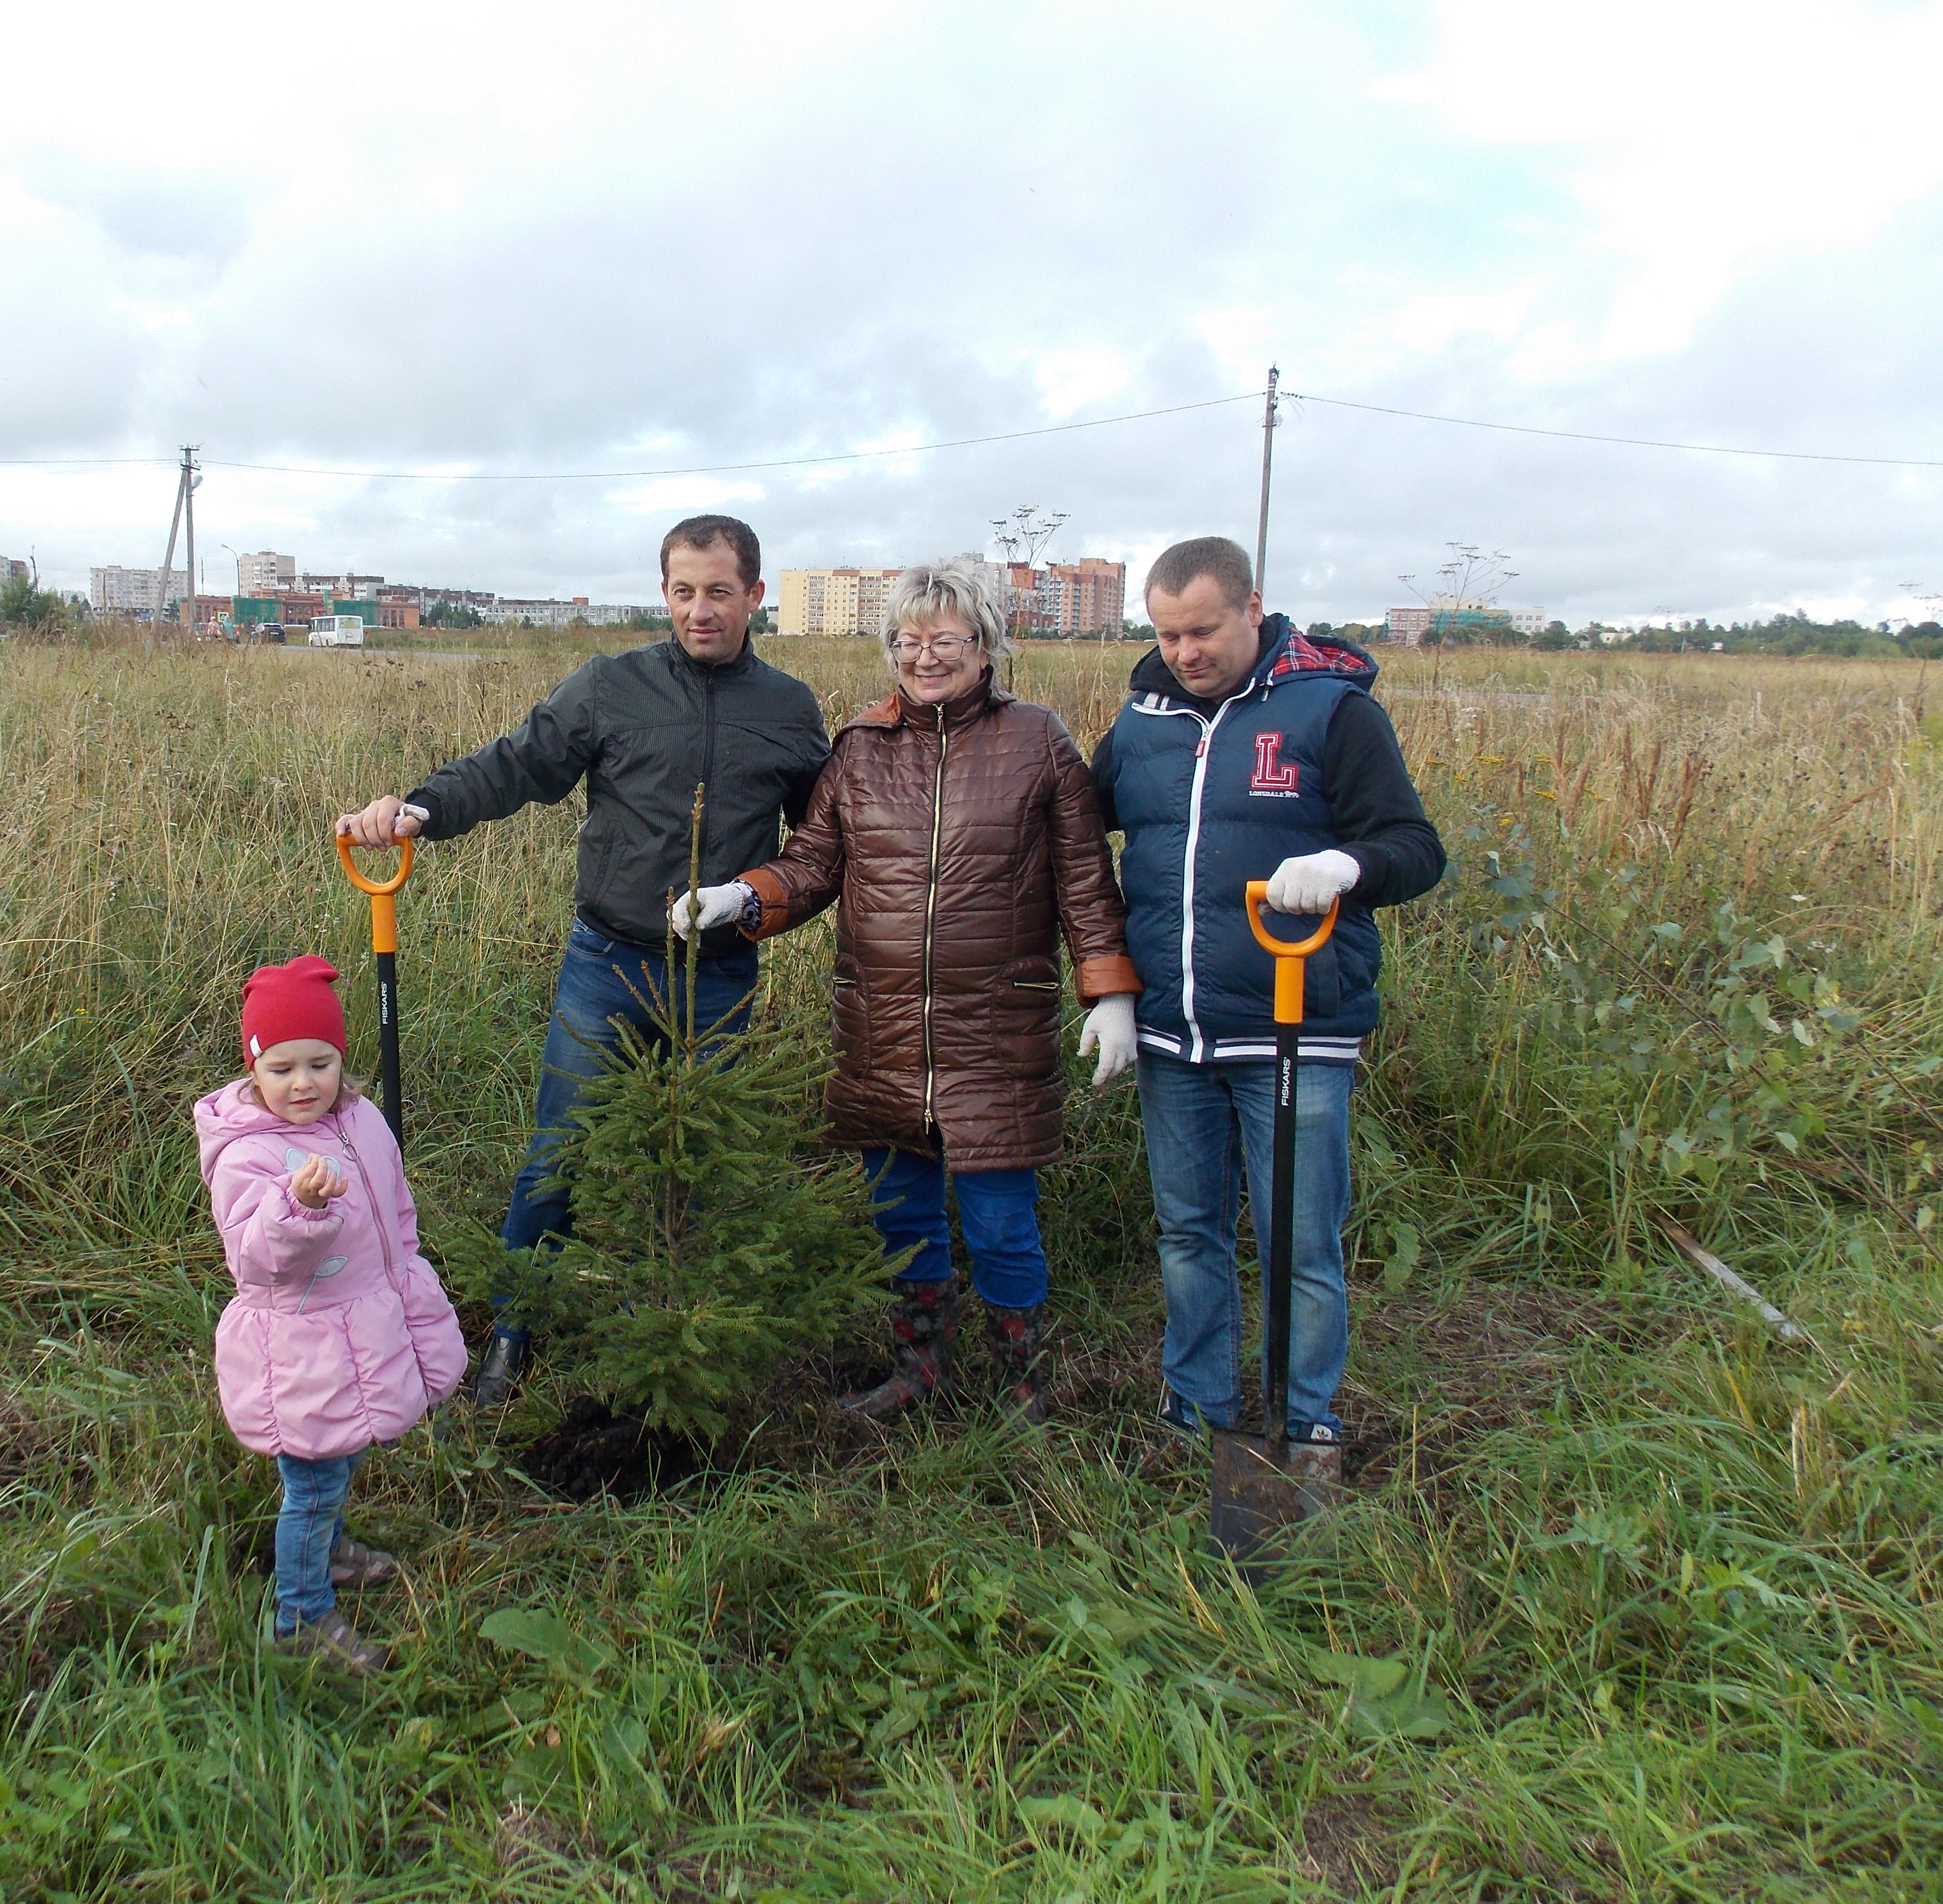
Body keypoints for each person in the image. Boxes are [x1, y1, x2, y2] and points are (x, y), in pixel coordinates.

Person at [335, 516, 830, 1407]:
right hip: (606, 963)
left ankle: (686, 1339)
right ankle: (515, 1331)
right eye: (683, 591)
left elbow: (823, 843)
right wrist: (420, 808)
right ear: (664, 593)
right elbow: (518, 764)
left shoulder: (789, 710)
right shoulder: (612, 686)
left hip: (719, 973)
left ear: (757, 594)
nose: (700, 610)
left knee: (703, 1158)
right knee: (557, 1153)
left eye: (720, 591)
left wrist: (760, 900)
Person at [674, 558, 1141, 1424]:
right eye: (907, 640)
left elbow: (1085, 880)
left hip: (994, 1034)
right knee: (903, 1215)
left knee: (1002, 1224)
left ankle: (1020, 1384)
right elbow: (815, 864)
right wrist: (746, 897)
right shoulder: (859, 749)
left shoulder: (1039, 742)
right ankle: (918, 1368)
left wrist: (1109, 992)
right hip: (880, 1031)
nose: (924, 658)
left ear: (986, 644)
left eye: (945, 640)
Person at [1091, 536, 1445, 1478]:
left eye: (1202, 629)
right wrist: (1109, 988)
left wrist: (1346, 867)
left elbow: (1415, 847)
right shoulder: (1140, 725)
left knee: (1297, 1239)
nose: (1184, 651)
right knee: (1185, 1231)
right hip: (1173, 1032)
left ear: (1254, 607)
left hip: (1297, 1028)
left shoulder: (1331, 713)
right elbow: (1076, 840)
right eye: (1166, 634)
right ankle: (1195, 1407)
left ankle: (1306, 1423)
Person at [194, 955, 468, 1674]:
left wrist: (408, 1276)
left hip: (364, 1326)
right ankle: (300, 1616)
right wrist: (300, 1208)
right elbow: (255, 1258)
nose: (303, 1084)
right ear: (253, 1066)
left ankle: (331, 1551)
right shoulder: (247, 1154)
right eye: (281, 1068)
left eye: (319, 1063)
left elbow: (393, 1207)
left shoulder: (361, 1118)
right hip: (303, 1350)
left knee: (336, 1464)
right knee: (310, 1486)